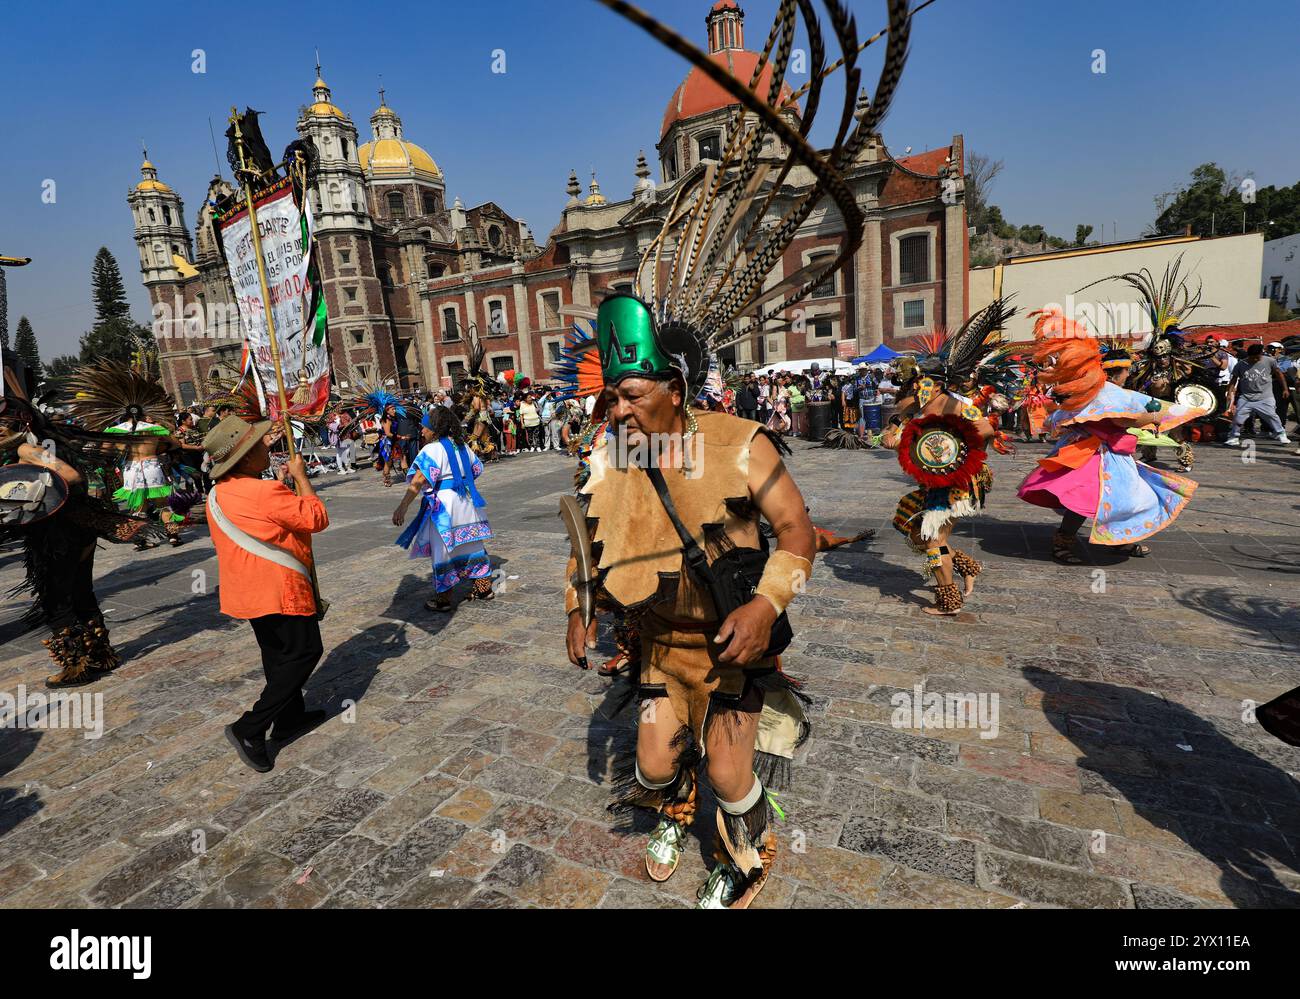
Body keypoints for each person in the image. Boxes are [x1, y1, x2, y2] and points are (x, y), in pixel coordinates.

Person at [564, 293, 816, 908]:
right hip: (657, 647)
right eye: (612, 398)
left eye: (632, 396)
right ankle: (677, 810)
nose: (618, 412)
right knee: (653, 766)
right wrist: (577, 607)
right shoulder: (608, 456)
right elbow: (587, 541)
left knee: (730, 775)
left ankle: (749, 857)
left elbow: (798, 532)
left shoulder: (742, 443)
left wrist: (764, 607)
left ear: (674, 387)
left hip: (730, 651)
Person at [1018, 310, 1202, 562]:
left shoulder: (1095, 392)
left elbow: (1057, 419)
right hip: (1095, 456)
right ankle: (1064, 544)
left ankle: (1119, 540)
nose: (1129, 374)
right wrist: (1155, 417)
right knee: (1090, 497)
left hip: (1099, 452)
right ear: (1122, 372)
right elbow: (1124, 419)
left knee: (1122, 498)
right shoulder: (1111, 394)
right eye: (1127, 370)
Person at [204, 416, 329, 773]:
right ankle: (251, 727)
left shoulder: (218, 493)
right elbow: (316, 518)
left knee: (277, 655)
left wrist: (282, 487)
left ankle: (290, 718)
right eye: (259, 445)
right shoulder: (264, 491)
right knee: (305, 652)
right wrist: (301, 478)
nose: (267, 447)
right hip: (280, 586)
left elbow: (260, 519)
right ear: (243, 458)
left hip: (248, 589)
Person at [882, 301, 1013, 616]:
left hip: (958, 483)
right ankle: (965, 566)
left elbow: (984, 428)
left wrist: (958, 447)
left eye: (914, 385)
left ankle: (948, 599)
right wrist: (893, 431)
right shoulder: (924, 407)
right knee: (914, 527)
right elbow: (896, 424)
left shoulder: (952, 405)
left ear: (930, 383)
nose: (909, 391)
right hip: (937, 485)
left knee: (931, 541)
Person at [392, 404, 494, 611]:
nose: (421, 431)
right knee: (472, 545)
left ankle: (444, 598)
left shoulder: (432, 449)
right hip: (467, 502)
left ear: (435, 429)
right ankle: (484, 588)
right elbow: (476, 469)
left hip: (445, 506)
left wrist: (402, 507)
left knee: (444, 550)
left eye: (424, 427)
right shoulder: (462, 446)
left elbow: (418, 481)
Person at [1225, 342, 1290, 446]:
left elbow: (1279, 374)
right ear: (1249, 355)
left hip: (1265, 396)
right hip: (1246, 397)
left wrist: (1285, 389)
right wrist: (1229, 392)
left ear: (1261, 354)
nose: (1255, 360)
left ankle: (1281, 434)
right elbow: (1233, 379)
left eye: (1257, 357)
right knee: (1238, 417)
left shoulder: (1270, 361)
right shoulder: (1241, 364)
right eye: (1253, 358)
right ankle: (1233, 437)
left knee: (1272, 416)